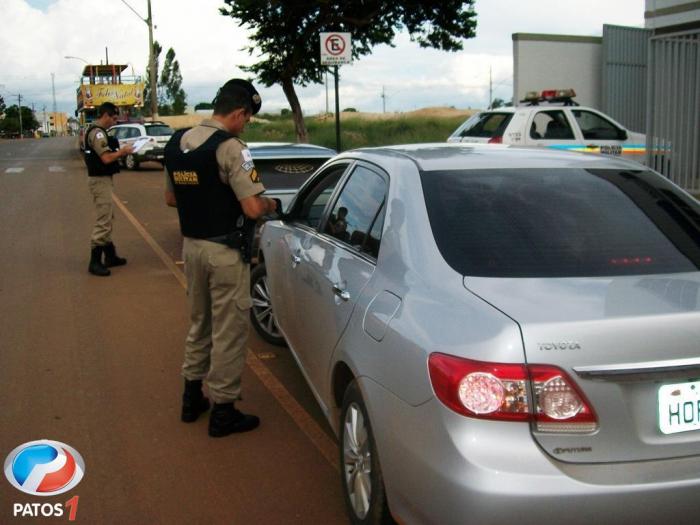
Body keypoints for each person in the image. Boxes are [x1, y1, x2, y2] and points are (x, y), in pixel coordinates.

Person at [164, 78, 277, 438]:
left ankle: (190, 398)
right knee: (229, 331)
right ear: (240, 112)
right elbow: (252, 206)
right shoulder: (231, 148)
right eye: (248, 118)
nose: (246, 125)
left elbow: (171, 199)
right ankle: (223, 412)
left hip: (192, 249)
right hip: (226, 253)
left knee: (200, 324)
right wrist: (270, 203)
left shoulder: (176, 142)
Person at [83, 102, 134, 276]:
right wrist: (122, 152)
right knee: (104, 218)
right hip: (99, 180)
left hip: (102, 180)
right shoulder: (97, 134)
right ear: (105, 115)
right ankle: (95, 261)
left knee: (109, 216)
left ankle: (110, 256)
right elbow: (105, 158)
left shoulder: (98, 132)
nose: (114, 121)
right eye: (113, 118)